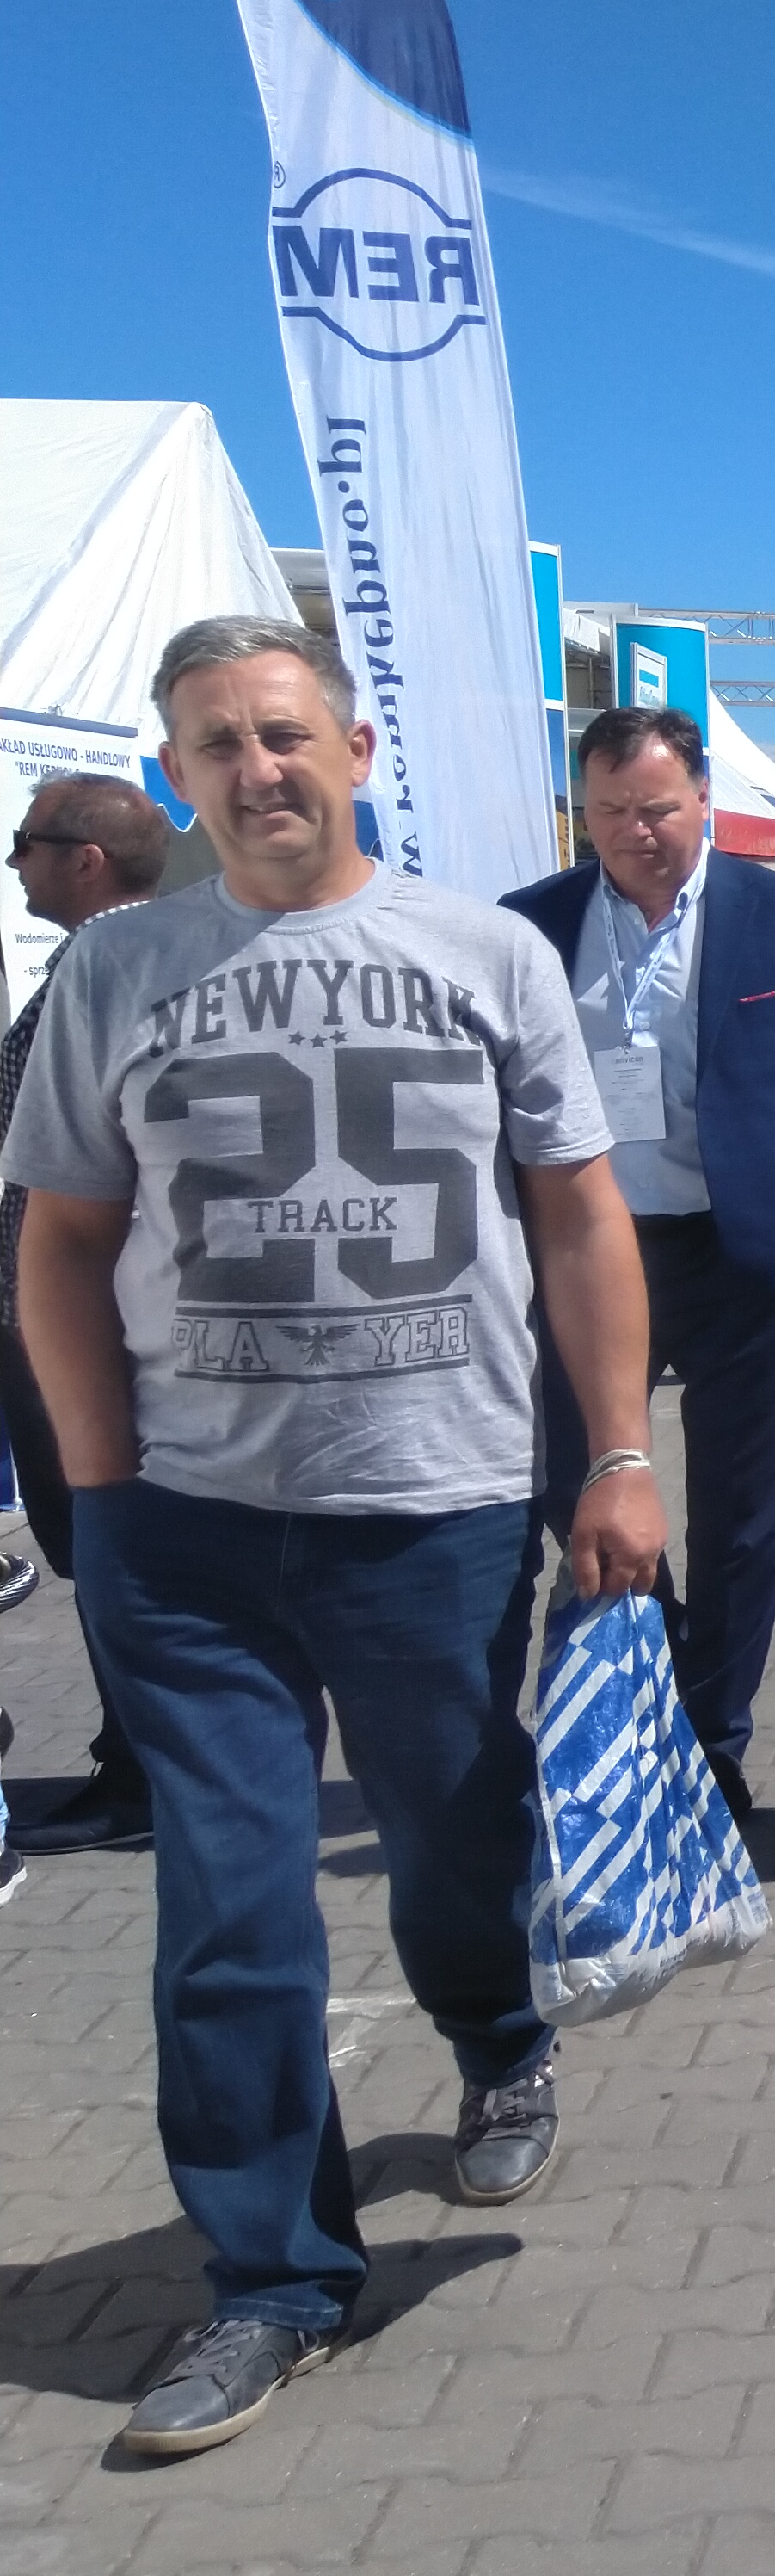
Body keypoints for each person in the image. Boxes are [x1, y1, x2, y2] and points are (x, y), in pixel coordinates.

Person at [5, 615, 667, 2459]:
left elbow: (579, 1216)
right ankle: (274, 2280)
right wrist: (104, 1487)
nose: (256, 768)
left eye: (283, 733)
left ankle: (498, 2037)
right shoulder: (115, 971)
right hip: (187, 1533)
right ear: (174, 778)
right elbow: (61, 1241)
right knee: (227, 1915)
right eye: (215, 743)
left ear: (356, 749)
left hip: (431, 1507)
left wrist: (618, 1452)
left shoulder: (482, 955)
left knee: (454, 1846)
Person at [501, 711, 775, 1823]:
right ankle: (658, 1693)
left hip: (740, 1256)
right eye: (611, 812)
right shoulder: (529, 926)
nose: (637, 832)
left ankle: (713, 1738)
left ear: (703, 799)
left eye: (658, 809)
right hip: (587, 1258)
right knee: (580, 1489)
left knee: (740, 1515)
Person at [0, 772, 171, 1856]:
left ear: (85, 859)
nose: (15, 860)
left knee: (102, 1542)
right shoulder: (128, 961)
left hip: (67, 1315)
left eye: (24, 841)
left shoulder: (98, 970)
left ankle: (143, 1775)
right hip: (73, 1306)